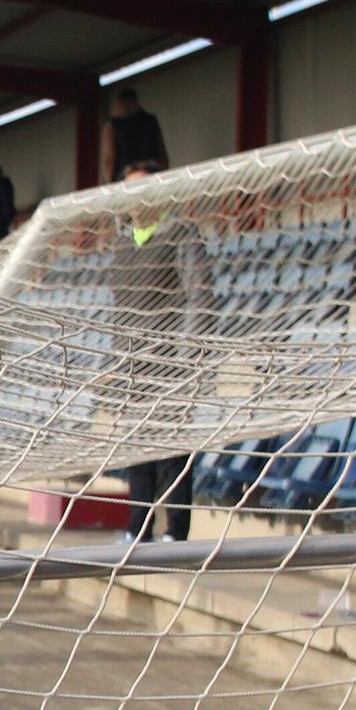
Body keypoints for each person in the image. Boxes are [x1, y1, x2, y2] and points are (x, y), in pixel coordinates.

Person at [108, 160, 208, 543]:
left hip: (171, 362)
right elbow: (118, 308)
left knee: (174, 455)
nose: (136, 199)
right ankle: (138, 530)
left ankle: (176, 534)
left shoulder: (180, 233)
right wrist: (116, 361)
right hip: (132, 365)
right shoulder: (121, 240)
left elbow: (200, 296)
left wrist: (190, 357)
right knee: (137, 453)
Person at [103, 88, 170, 183]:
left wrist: (109, 183)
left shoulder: (113, 125)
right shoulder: (150, 120)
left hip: (128, 173)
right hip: (153, 170)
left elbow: (109, 160)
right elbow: (163, 153)